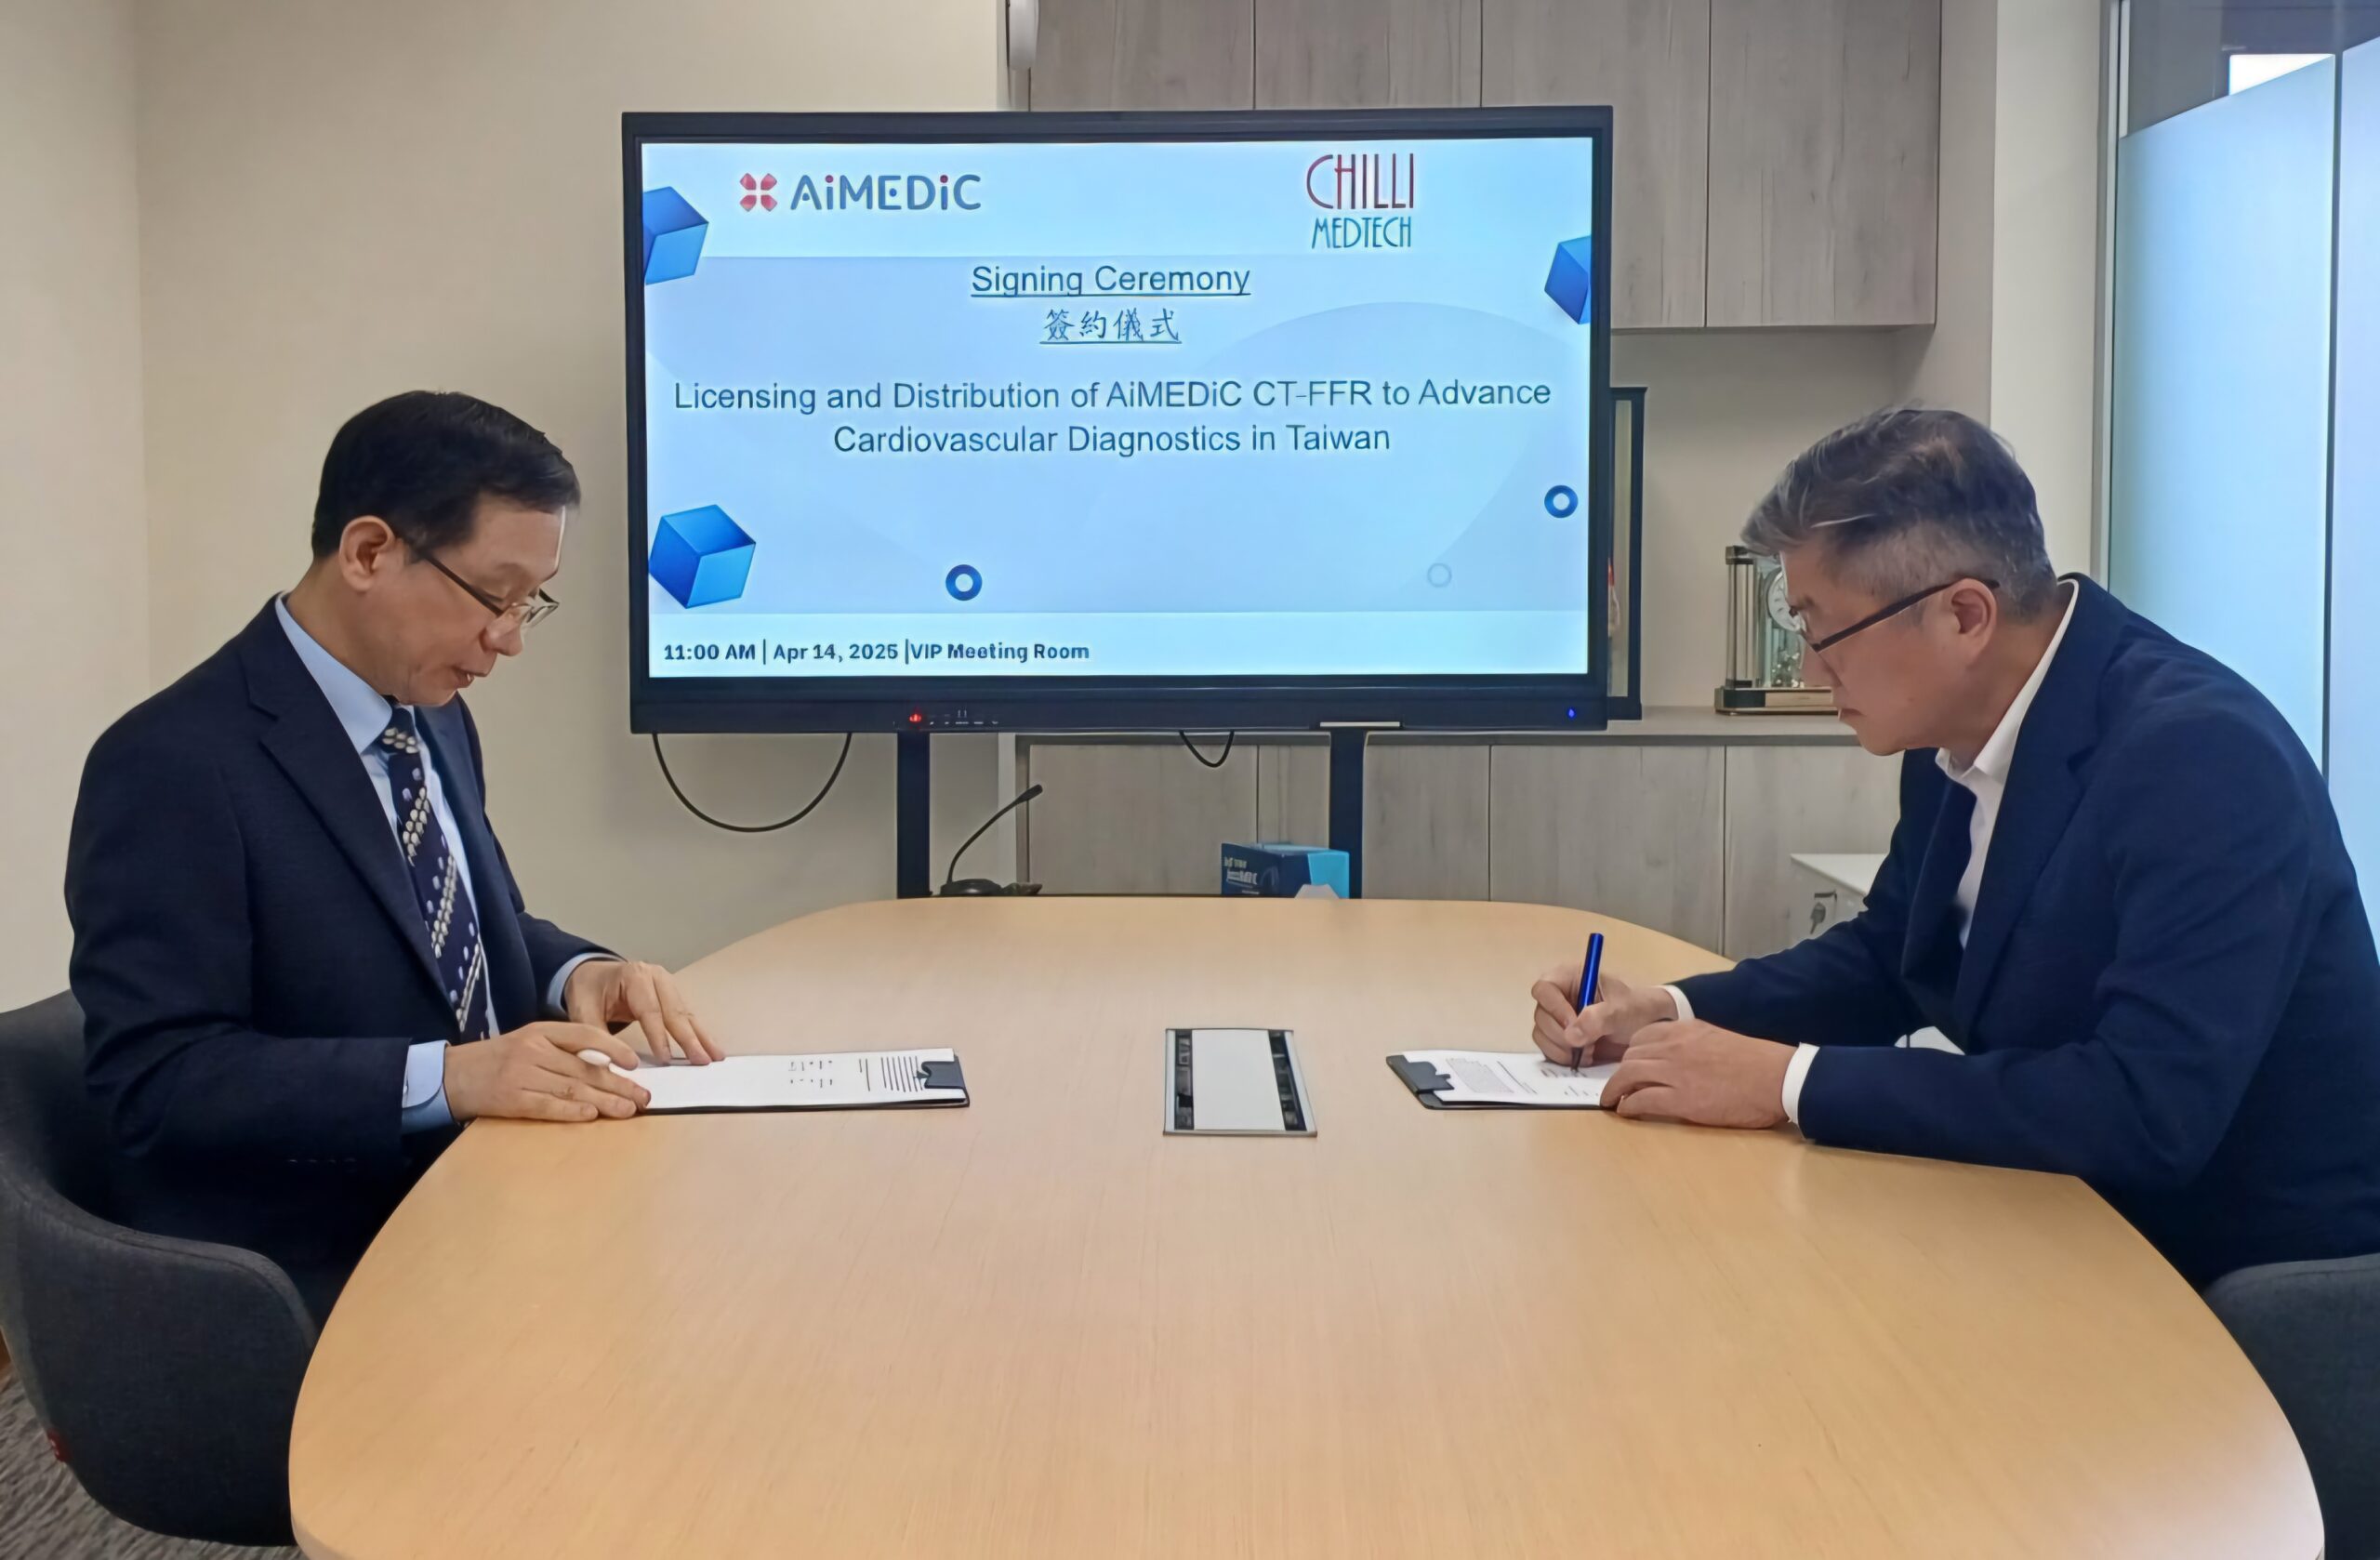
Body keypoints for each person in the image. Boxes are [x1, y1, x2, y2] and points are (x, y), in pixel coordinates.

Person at [1530, 407, 2380, 1288]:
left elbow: (2145, 1108)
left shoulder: (2201, 756)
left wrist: (1789, 1083)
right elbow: (1890, 960)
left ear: (1964, 614)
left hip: (2234, 1285)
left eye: (1823, 631)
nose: (1812, 671)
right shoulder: (1958, 725)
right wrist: (1669, 1012)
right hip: (2047, 1218)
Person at [65, 390, 723, 1322]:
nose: (509, 639)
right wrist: (448, 1077)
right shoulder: (171, 761)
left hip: (497, 1186)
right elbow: (156, 1082)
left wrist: (580, 973)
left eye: (531, 602)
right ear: (369, 552)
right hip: (326, 1255)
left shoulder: (433, 716)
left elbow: (462, 928)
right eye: (493, 597)